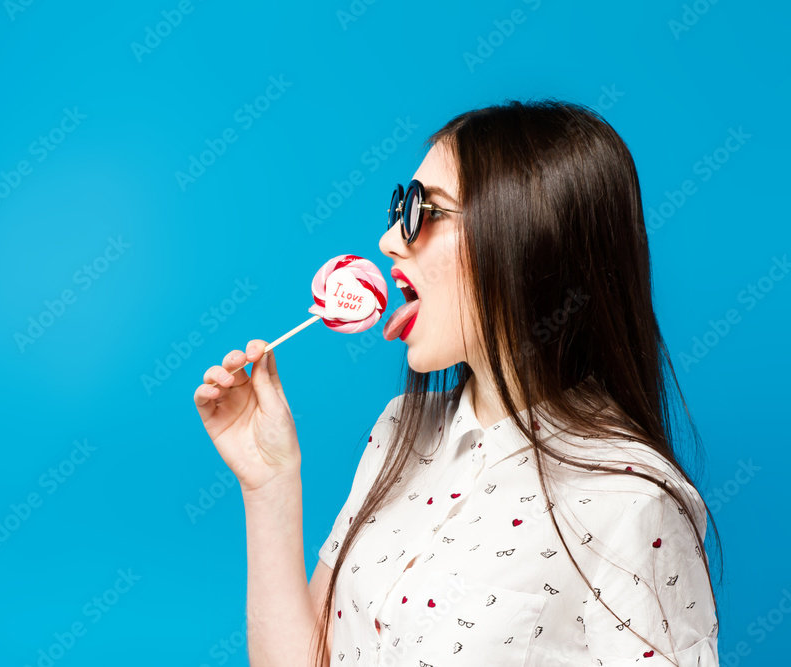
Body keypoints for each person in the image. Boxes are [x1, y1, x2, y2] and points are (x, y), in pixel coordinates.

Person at [193, 99, 720, 667]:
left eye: (426, 211)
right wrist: (269, 485)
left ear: (526, 236)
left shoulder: (630, 499)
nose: (390, 241)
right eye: (401, 206)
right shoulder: (400, 428)